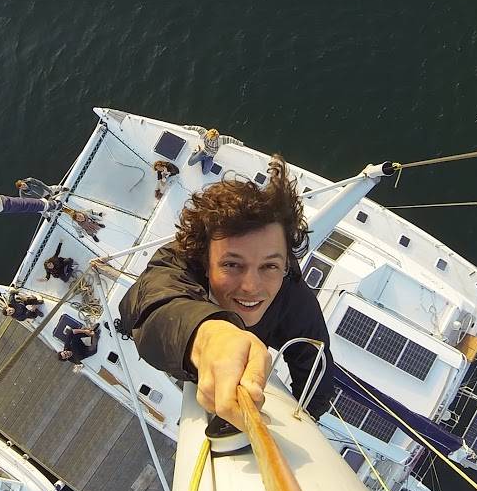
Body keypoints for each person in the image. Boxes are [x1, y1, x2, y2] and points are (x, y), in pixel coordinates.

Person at [119, 157, 335, 432]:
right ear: (204, 261)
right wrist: (209, 337)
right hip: (186, 359)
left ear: (284, 263)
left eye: (270, 265)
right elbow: (144, 308)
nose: (251, 286)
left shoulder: (292, 295)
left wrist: (302, 421)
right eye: (232, 264)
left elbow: (317, 367)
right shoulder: (175, 265)